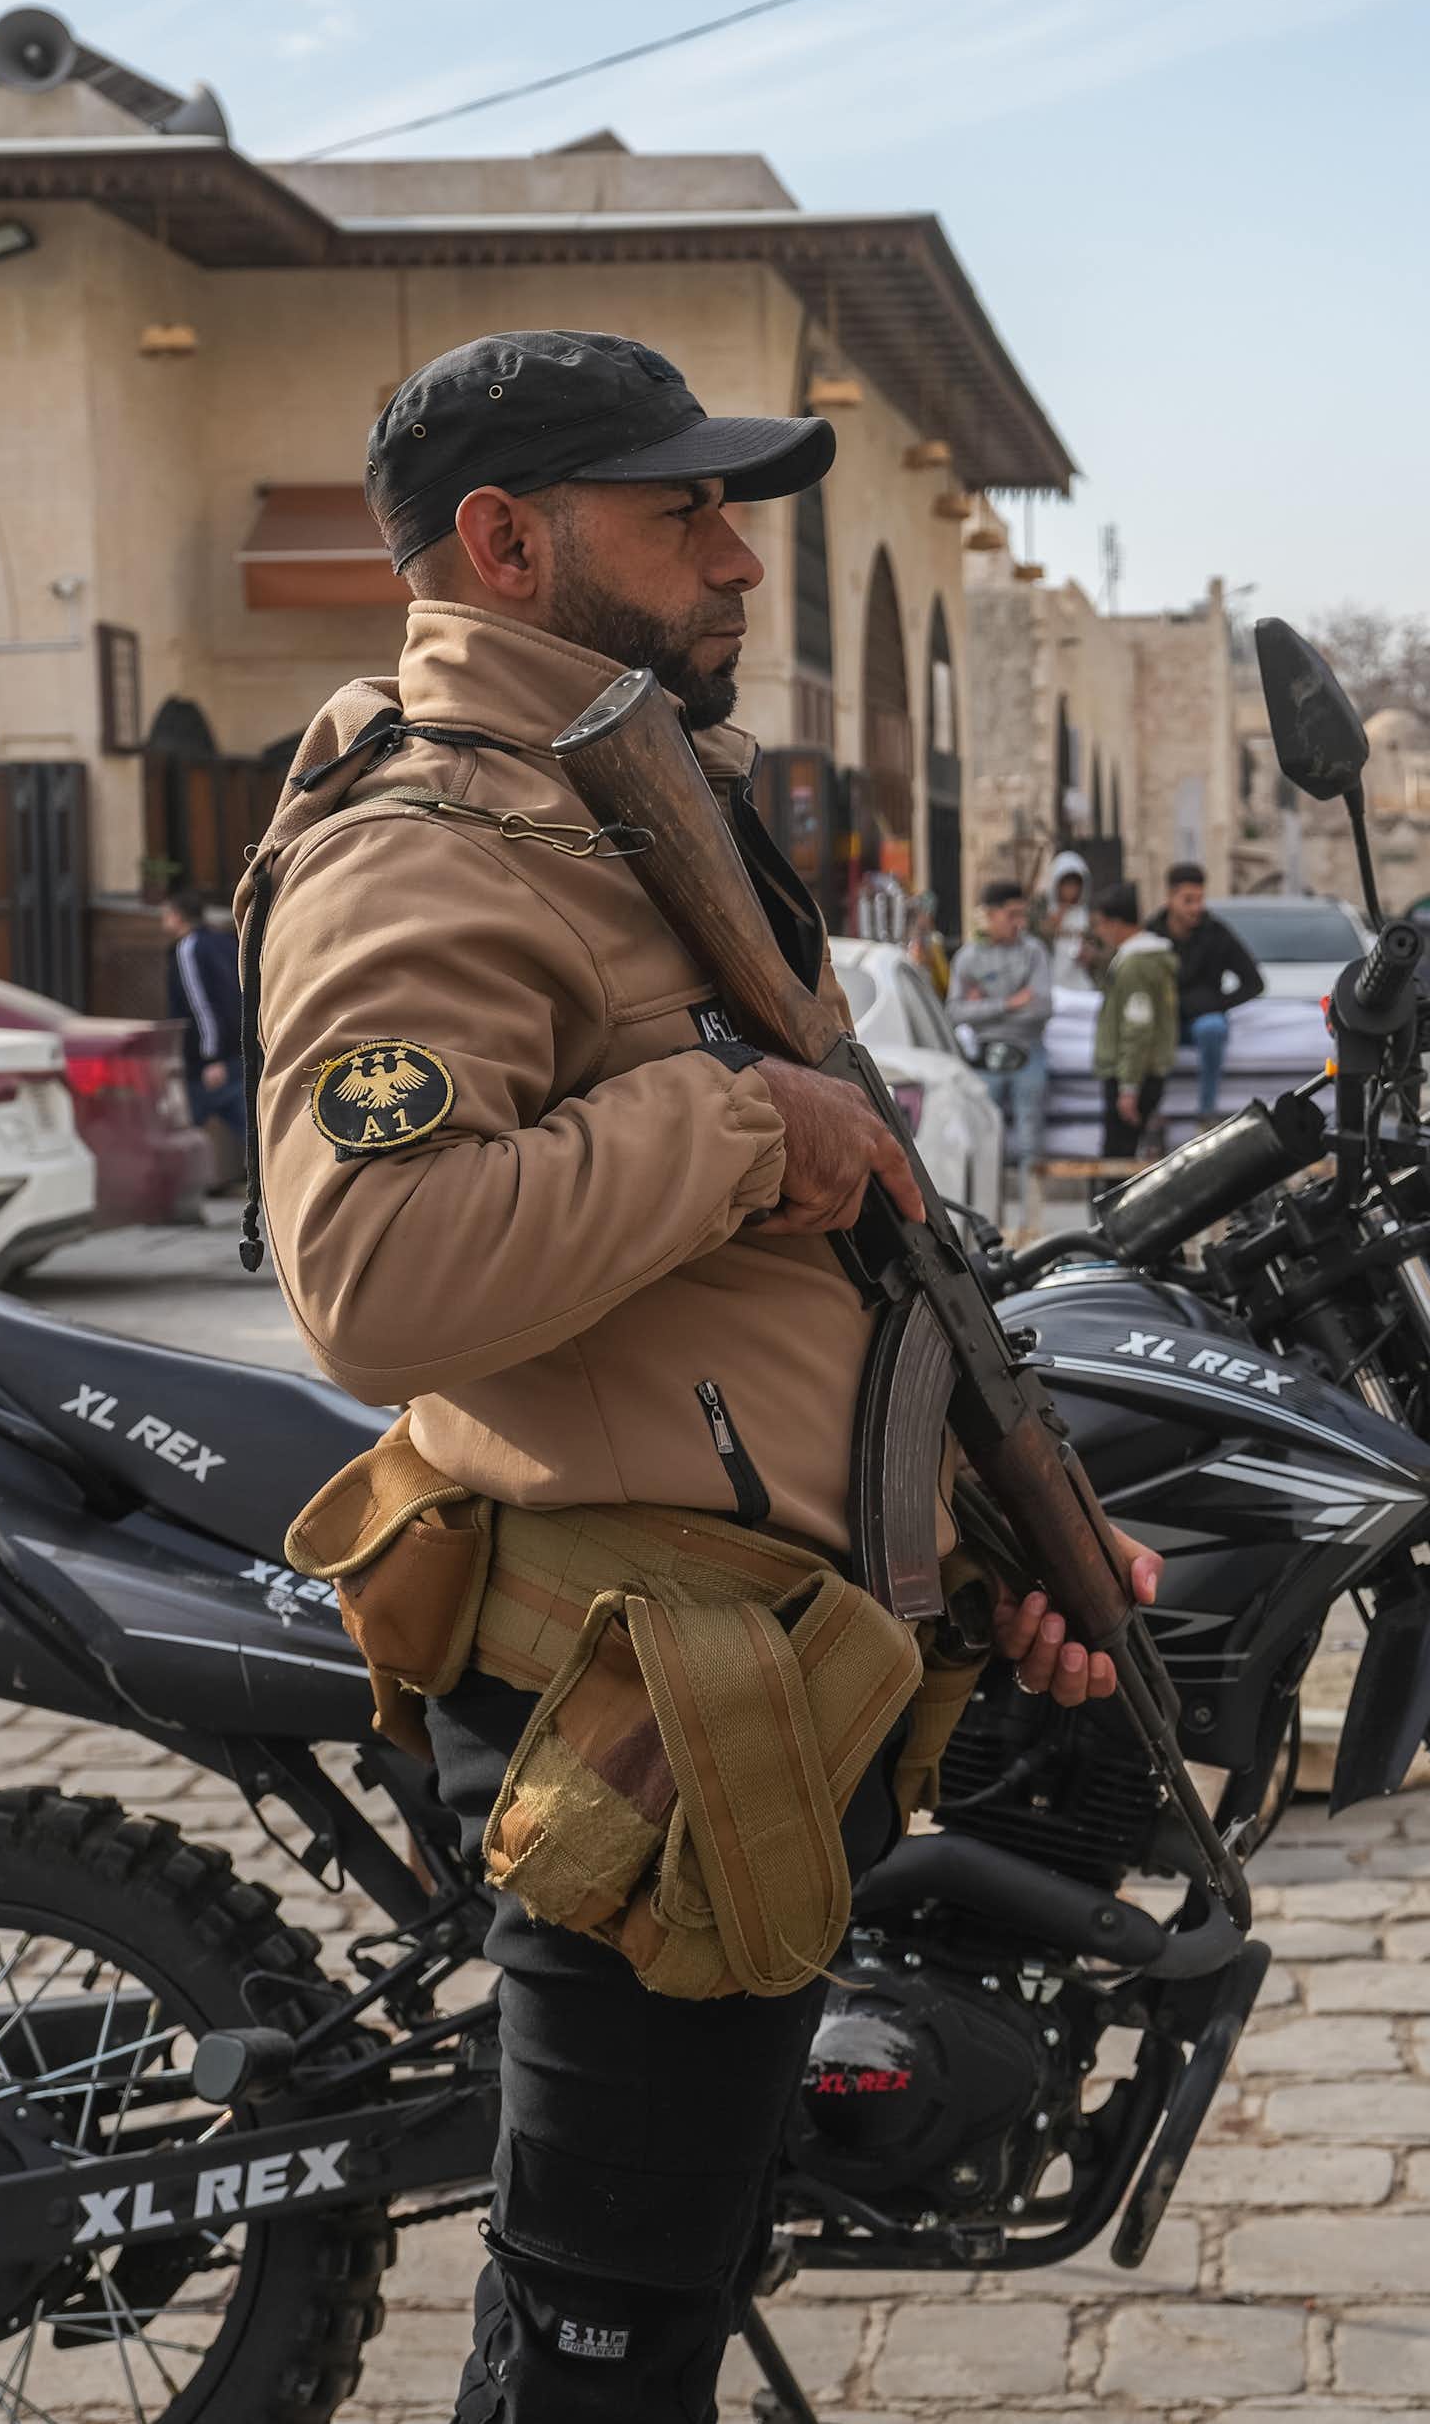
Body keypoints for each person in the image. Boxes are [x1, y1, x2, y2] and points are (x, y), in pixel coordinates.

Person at [237, 328, 1154, 2423]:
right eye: (680, 512)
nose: (736, 556)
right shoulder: (432, 838)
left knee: (652, 2284)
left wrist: (997, 1528)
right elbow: (370, 1273)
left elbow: (795, 1296)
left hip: (762, 1670)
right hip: (637, 1704)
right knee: (600, 2342)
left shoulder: (619, 805)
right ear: (504, 539)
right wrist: (748, 1126)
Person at [949, 879, 1054, 1202]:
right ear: (990, 916)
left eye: (1022, 914)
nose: (1018, 922)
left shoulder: (1033, 952)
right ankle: (986, 1212)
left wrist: (982, 1006)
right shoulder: (968, 958)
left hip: (1027, 1051)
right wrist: (1008, 1003)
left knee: (1029, 1140)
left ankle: (1031, 1220)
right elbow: (954, 1012)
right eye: (1011, 915)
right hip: (985, 1056)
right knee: (983, 1139)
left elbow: (1041, 1008)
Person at [1163, 861, 1264, 1121]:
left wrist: (1215, 1003)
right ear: (1170, 898)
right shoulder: (1153, 935)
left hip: (1201, 1020)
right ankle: (1152, 1116)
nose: (1196, 908)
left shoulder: (1216, 934)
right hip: (1163, 1022)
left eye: (1200, 899)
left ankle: (1206, 1115)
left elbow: (1254, 982)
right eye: (1188, 900)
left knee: (1212, 1028)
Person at [160, 888, 246, 1175]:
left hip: (209, 1061)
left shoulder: (189, 948)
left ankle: (173, 1198)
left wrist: (212, 1057)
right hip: (237, 1050)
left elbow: (201, 1006)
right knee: (253, 1129)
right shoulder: (223, 941)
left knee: (179, 1130)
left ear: (177, 917)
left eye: (167, 915)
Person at [1092, 880, 1177, 1160]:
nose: (1100, 933)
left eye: (1101, 924)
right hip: (1140, 1073)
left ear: (1116, 923)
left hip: (1131, 1075)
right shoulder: (1144, 959)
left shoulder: (1135, 966)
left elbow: (1137, 1028)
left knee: (1118, 1159)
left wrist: (1128, 1087)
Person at [1035, 849, 1094, 990]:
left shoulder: (1085, 915)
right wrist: (1060, 912)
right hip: (1052, 977)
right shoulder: (1044, 910)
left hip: (1079, 978)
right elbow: (1041, 937)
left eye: (1075, 885)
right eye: (1066, 884)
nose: (1071, 889)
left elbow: (1094, 943)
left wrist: (1088, 952)